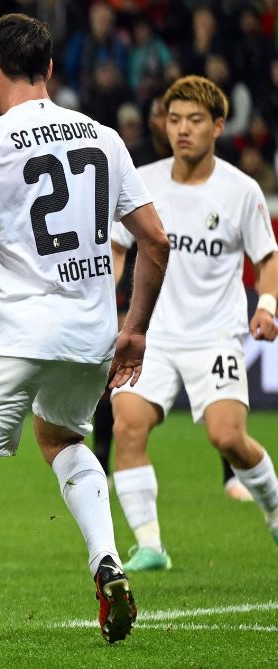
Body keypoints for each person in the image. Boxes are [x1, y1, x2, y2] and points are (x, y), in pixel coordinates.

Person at [0, 14, 170, 653]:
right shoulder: (105, 138)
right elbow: (155, 240)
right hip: (90, 332)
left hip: (16, 330)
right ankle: (108, 561)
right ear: (49, 69)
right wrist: (134, 328)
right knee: (60, 438)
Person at [108, 75, 278, 573]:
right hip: (151, 335)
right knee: (128, 427)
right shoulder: (144, 181)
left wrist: (267, 303)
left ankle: (273, 509)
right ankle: (150, 546)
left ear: (219, 126)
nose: (182, 130)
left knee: (227, 437)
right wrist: (104, 306)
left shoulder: (240, 190)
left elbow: (266, 258)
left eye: (195, 120)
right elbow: (117, 248)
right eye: (175, 119)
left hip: (214, 334)